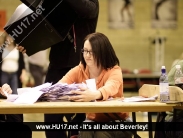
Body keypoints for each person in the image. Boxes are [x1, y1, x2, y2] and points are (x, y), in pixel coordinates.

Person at [17, 1, 99, 138]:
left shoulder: (90, 3)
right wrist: (30, 44)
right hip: (57, 65)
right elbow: (48, 35)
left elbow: (87, 10)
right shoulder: (58, 7)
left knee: (79, 118)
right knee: (51, 118)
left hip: (81, 66)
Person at [58, 32, 131, 138]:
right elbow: (60, 85)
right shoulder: (79, 69)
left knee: (101, 134)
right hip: (93, 120)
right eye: (85, 51)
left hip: (118, 121)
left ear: (102, 52)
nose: (87, 55)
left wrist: (95, 94)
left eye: (91, 52)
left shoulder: (114, 70)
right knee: (86, 129)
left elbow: (111, 87)